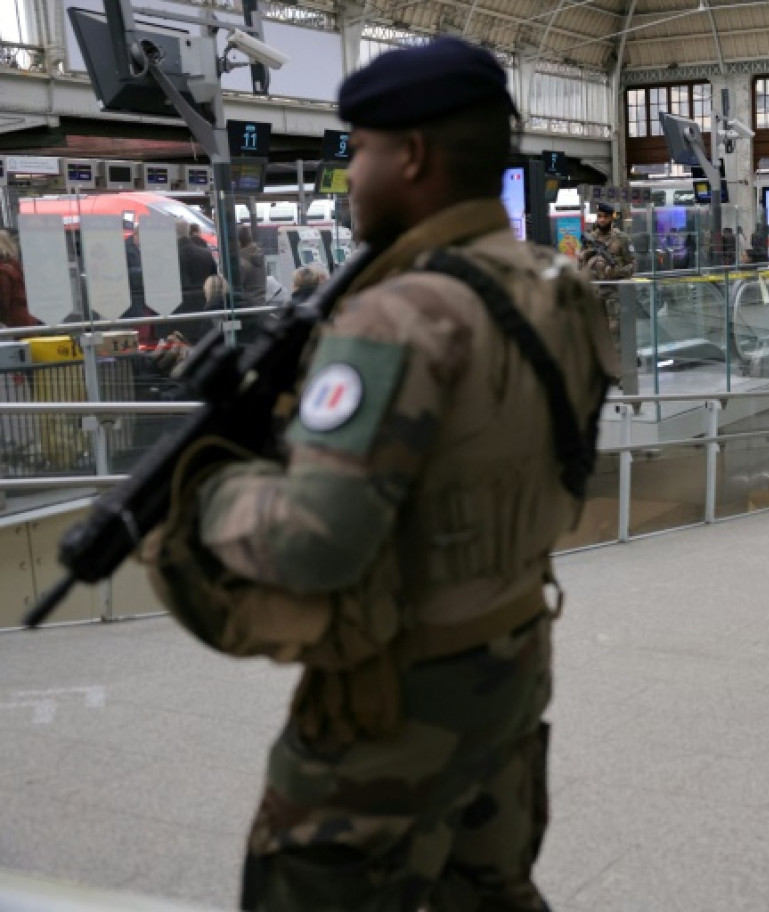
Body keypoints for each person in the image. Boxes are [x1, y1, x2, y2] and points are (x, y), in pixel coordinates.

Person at [139, 35, 614, 911]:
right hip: (511, 654)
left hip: (398, 702)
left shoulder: (398, 317)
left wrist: (208, 496)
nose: (348, 174)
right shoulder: (554, 285)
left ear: (414, 156)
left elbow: (315, 543)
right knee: (490, 891)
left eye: (358, 150)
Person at [578, 202, 635, 347]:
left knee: (614, 329)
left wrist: (616, 272)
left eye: (606, 217)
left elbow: (632, 265)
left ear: (611, 219)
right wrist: (586, 255)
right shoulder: (590, 238)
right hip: (594, 291)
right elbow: (580, 264)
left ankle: (618, 363)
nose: (602, 220)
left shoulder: (622, 238)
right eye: (600, 216)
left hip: (613, 291)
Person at [176, 221, 218, 317]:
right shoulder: (206, 254)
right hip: (203, 305)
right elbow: (214, 279)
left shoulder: (168, 256)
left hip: (177, 311)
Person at [0, 229, 40, 328]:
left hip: (14, 323)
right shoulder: (14, 266)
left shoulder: (3, 271)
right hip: (25, 320)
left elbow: (3, 303)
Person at [235, 225, 267, 308]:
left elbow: (236, 288)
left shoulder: (242, 263)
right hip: (260, 304)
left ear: (238, 242)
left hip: (247, 307)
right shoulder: (258, 255)